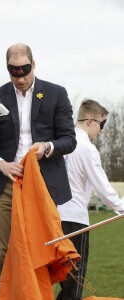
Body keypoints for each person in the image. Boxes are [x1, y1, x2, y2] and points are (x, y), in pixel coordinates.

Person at [0, 43, 76, 298]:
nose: (20, 77)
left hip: (43, 186)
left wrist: (47, 146)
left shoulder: (56, 94)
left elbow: (69, 139)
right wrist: (0, 163)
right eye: (14, 71)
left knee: (43, 253)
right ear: (7, 68)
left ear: (34, 64)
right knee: (2, 254)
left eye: (25, 70)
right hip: (6, 185)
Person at [56, 99, 124, 300]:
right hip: (75, 221)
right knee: (73, 282)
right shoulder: (86, 148)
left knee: (58, 277)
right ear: (90, 120)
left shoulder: (60, 142)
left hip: (53, 217)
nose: (101, 131)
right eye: (102, 124)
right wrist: (121, 206)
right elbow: (101, 185)